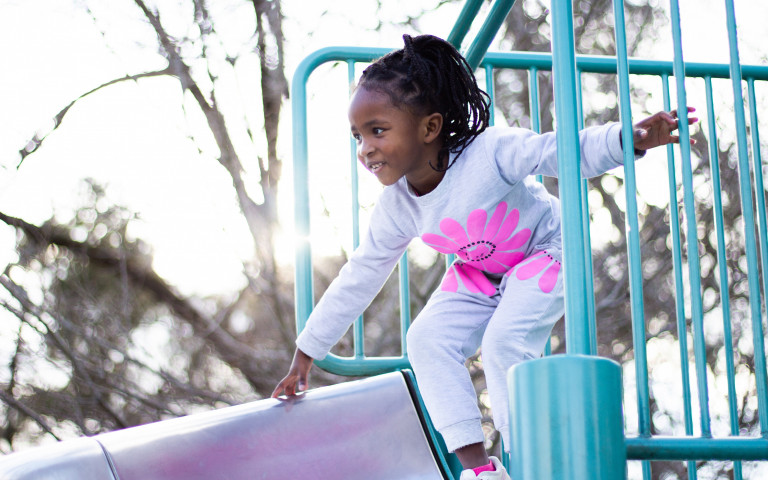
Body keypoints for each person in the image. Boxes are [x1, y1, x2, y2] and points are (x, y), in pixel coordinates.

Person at [272, 34, 697, 480]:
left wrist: (630, 138)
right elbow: (360, 274)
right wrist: (307, 352)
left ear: (430, 128)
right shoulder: (397, 206)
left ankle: (528, 461)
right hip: (482, 271)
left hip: (546, 251)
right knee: (426, 339)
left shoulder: (489, 152)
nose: (366, 148)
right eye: (358, 136)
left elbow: (557, 150)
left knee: (501, 343)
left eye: (378, 131)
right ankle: (481, 472)